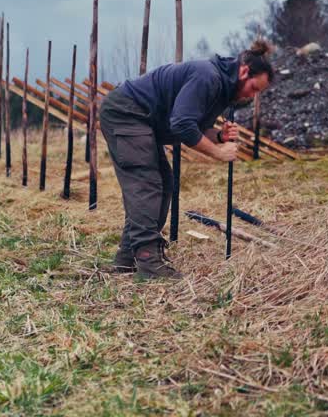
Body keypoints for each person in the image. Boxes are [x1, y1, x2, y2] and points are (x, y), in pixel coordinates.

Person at [99, 39, 274, 279]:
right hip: (126, 113)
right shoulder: (207, 77)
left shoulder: (220, 88)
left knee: (164, 182)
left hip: (141, 119)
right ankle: (148, 260)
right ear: (244, 71)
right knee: (146, 183)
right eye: (254, 88)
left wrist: (219, 136)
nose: (251, 96)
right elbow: (181, 125)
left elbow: (194, 125)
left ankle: (128, 257)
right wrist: (217, 152)